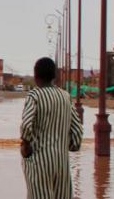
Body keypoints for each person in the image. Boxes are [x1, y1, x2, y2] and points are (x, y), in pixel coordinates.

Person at [20, 57, 83, 199]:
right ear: (54, 76)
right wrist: (72, 146)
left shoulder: (34, 95)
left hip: (38, 162)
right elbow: (77, 130)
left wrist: (25, 145)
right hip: (62, 163)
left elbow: (26, 125)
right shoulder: (65, 96)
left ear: (36, 76)